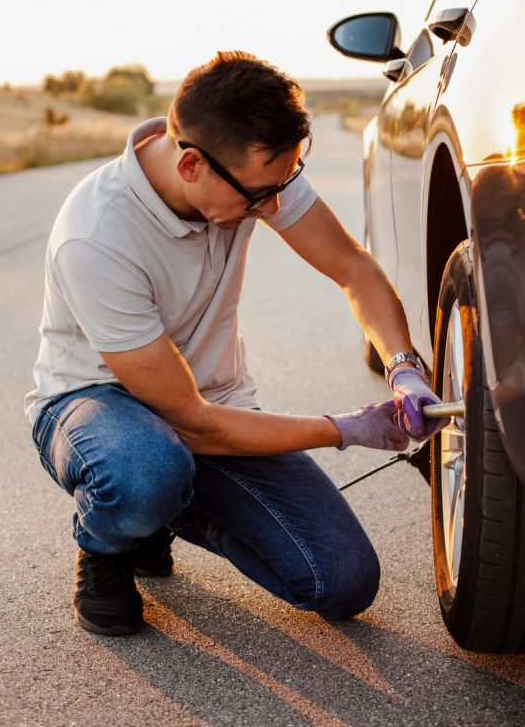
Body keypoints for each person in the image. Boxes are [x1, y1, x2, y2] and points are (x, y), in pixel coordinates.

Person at [26, 51, 445, 636]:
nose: (272, 208)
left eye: (283, 186)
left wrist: (404, 368)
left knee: (344, 582)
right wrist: (347, 429)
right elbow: (193, 422)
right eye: (258, 197)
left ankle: (159, 513)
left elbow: (353, 267)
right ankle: (109, 542)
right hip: (97, 412)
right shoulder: (97, 236)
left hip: (211, 411)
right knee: (146, 470)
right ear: (192, 164)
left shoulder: (253, 173)